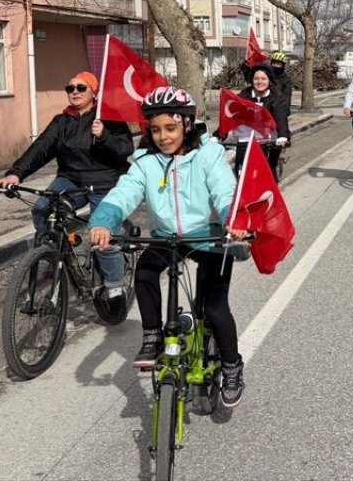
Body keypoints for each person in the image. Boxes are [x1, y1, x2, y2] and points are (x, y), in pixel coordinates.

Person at [87, 86, 251, 406]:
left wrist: (235, 218)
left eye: (171, 128)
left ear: (187, 125)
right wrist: (103, 220)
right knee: (146, 270)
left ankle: (232, 365)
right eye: (156, 129)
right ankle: (153, 335)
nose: (163, 137)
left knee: (214, 308)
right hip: (167, 237)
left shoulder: (208, 153)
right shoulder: (146, 161)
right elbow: (124, 194)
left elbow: (224, 189)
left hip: (210, 236)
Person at [0, 71, 132, 300]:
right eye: (70, 88)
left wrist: (104, 135)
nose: (75, 92)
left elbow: (125, 150)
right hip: (71, 180)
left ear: (93, 92)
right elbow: (41, 149)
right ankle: (52, 254)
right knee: (42, 208)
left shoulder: (109, 117)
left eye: (81, 88)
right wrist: (16, 174)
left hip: (105, 182)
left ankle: (115, 285)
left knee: (101, 234)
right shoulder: (62, 121)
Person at [231, 63, 291, 182]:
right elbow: (231, 115)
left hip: (269, 140)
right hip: (246, 139)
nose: (259, 82)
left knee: (268, 171)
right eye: (256, 79)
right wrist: (220, 133)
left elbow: (281, 117)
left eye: (263, 79)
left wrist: (283, 136)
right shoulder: (243, 96)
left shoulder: (277, 98)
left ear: (269, 80)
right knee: (241, 172)